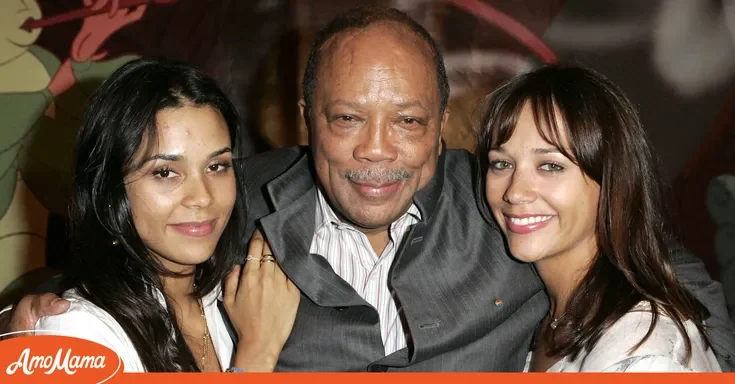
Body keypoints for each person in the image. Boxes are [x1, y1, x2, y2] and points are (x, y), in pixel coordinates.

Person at [2, 6, 734, 372]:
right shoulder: (239, 200)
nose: (376, 151)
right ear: (304, 121)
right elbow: (139, 247)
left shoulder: (510, 209)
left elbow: (663, 276)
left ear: (442, 124)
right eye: (347, 118)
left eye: (407, 121)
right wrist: (30, 306)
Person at [11, 58, 300, 373]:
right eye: (165, 172)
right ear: (111, 189)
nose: (202, 196)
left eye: (217, 166)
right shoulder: (74, 333)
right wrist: (256, 355)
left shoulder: (239, 297)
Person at [476, 64, 723, 372]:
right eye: (501, 164)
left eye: (551, 166)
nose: (515, 191)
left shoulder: (642, 355)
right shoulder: (544, 313)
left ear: (612, 181)